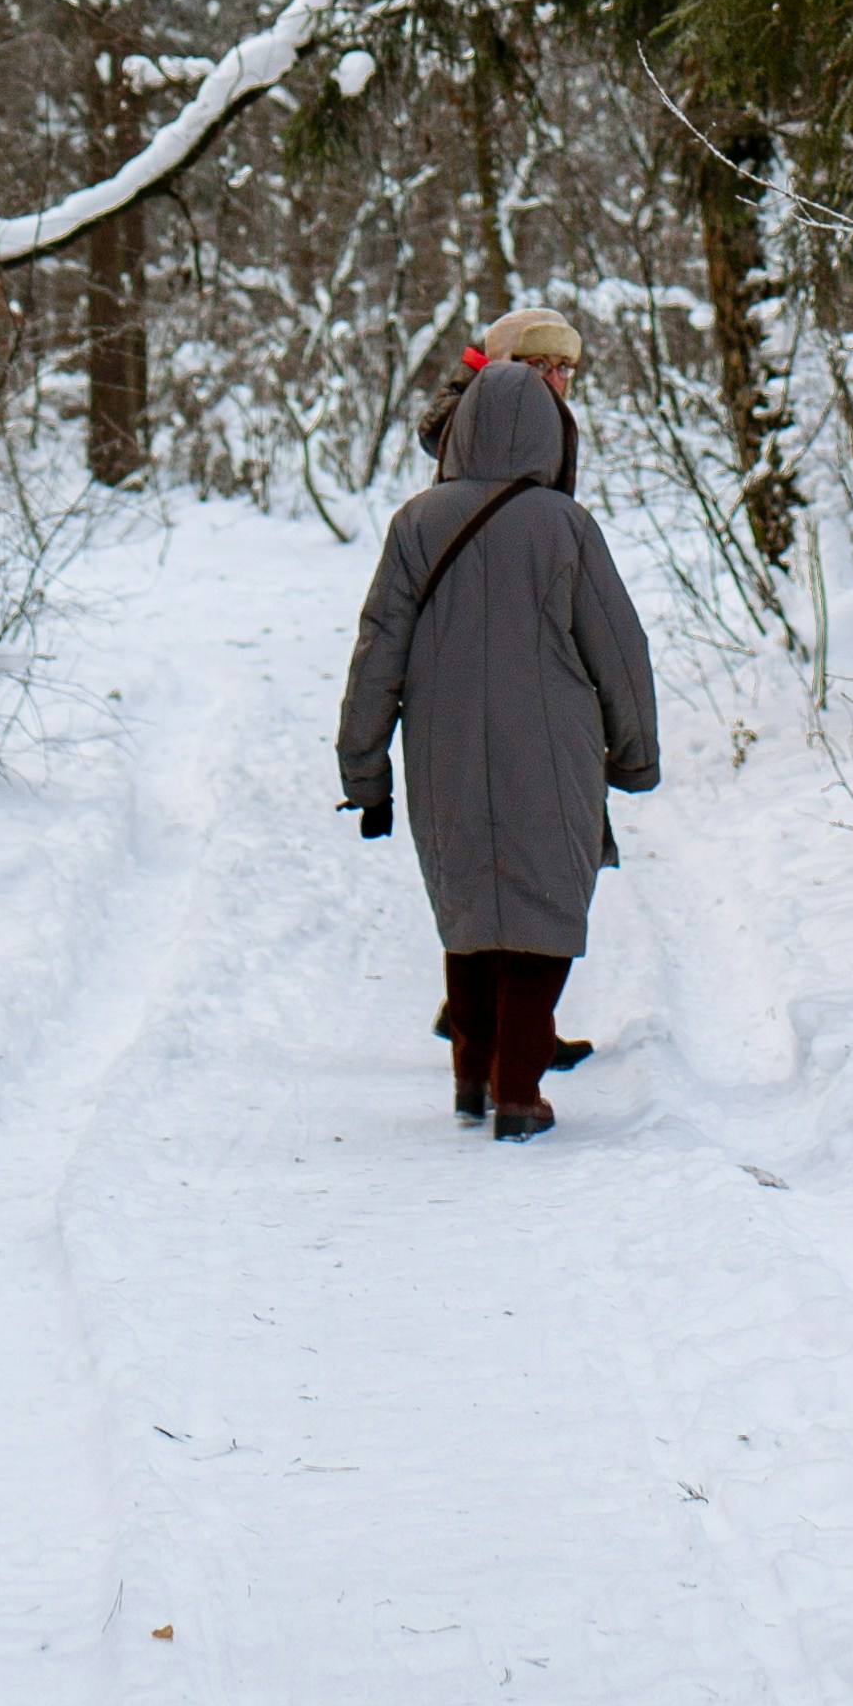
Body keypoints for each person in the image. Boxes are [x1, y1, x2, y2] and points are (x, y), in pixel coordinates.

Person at [337, 332, 658, 1136]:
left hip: (439, 745)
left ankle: (470, 1082)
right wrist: (637, 756)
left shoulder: (415, 523)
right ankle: (520, 1091)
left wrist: (364, 772)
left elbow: (379, 649)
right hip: (554, 742)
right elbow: (619, 648)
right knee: (544, 909)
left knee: (471, 906)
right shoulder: (565, 526)